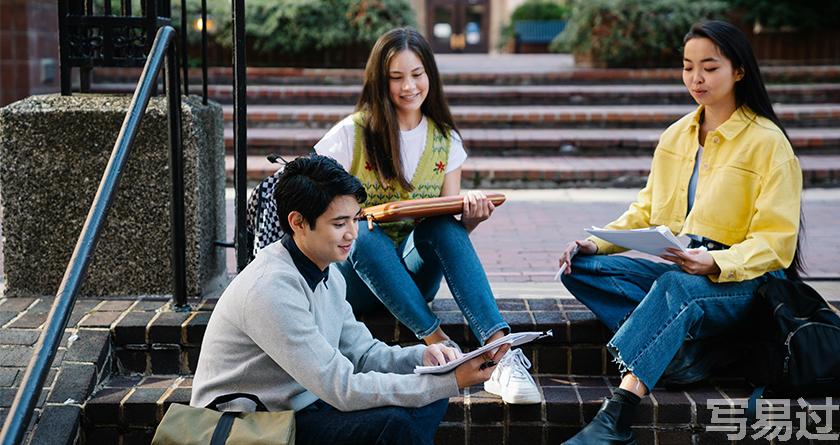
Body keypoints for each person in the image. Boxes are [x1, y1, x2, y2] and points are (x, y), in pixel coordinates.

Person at [557, 20, 803, 444]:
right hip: (687, 265)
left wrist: (716, 261)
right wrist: (595, 242)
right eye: (688, 67)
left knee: (677, 285)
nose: (696, 78)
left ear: (739, 71)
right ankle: (683, 356)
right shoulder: (676, 136)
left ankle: (617, 416)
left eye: (709, 67)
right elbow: (647, 210)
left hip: (745, 282)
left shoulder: (768, 143)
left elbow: (776, 242)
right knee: (581, 269)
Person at [191, 154, 509, 445]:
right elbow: (341, 387)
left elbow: (363, 354)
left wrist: (424, 360)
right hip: (252, 423)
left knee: (428, 396)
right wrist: (450, 381)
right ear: (297, 222)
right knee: (397, 422)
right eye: (339, 223)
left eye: (355, 219)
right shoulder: (270, 288)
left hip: (303, 404)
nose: (352, 234)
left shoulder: (327, 271)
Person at [314, 27, 540, 404]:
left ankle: (501, 354)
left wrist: (472, 219)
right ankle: (443, 347)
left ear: (430, 76)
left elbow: (446, 226)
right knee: (363, 233)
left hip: (413, 279)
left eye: (417, 74)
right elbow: (314, 203)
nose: (409, 86)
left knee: (442, 226)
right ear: (379, 81)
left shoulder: (445, 138)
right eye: (396, 77)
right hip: (353, 280)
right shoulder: (352, 134)